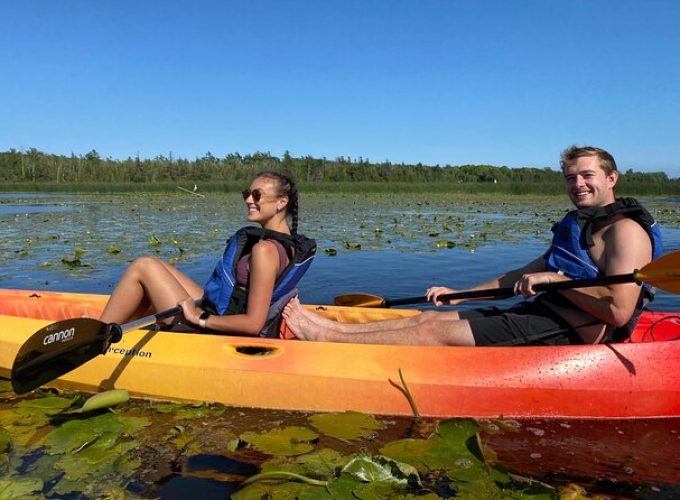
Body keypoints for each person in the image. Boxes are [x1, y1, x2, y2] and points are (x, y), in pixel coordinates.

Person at [282, 146, 662, 346]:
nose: (577, 183)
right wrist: (460, 295)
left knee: (431, 332)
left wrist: (549, 280)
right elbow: (519, 275)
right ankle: (325, 327)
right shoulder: (579, 226)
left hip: (574, 333)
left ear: (611, 178)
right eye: (570, 177)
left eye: (587, 175)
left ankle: (321, 336)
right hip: (548, 316)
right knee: (426, 317)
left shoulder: (624, 231)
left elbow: (618, 310)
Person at [99, 171, 316, 336]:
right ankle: (124, 329)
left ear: (282, 202)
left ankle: (95, 339)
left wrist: (199, 318)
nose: (249, 200)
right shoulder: (288, 244)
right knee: (157, 264)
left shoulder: (265, 250)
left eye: (257, 195)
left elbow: (253, 324)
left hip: (215, 330)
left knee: (144, 265)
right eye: (247, 194)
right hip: (220, 309)